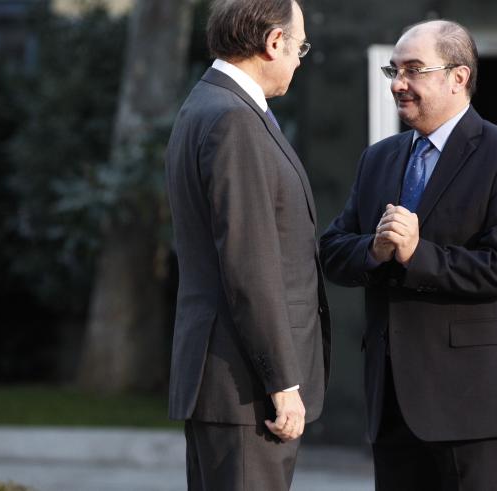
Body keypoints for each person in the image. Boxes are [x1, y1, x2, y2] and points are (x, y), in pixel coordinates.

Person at [320, 19, 497, 490]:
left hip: (472, 401)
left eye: (414, 70)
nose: (399, 84)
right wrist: (376, 250)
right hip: (393, 399)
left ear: (458, 77)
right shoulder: (377, 158)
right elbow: (333, 252)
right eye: (393, 71)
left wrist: (417, 253)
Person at [164, 0, 329, 489]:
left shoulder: (206, 103)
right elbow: (249, 263)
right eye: (299, 46)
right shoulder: (233, 118)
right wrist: (282, 381)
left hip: (228, 380)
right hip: (245, 387)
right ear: (273, 42)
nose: (300, 59)